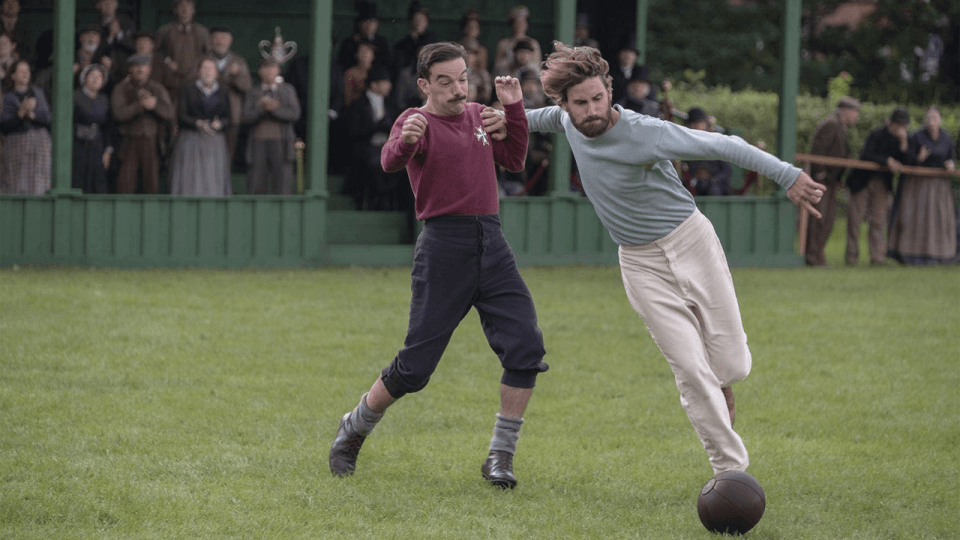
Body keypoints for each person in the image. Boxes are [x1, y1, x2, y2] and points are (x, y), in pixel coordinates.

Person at [499, 42, 824, 476]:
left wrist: (788, 175)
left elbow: (722, 145)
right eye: (581, 104)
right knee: (688, 367)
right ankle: (730, 473)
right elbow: (531, 118)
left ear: (609, 91)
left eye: (598, 98)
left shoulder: (646, 131)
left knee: (732, 364)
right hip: (639, 263)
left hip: (690, 242)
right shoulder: (565, 120)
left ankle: (721, 381)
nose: (592, 110)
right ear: (565, 105)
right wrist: (502, 115)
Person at [329, 42, 548, 490]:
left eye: (463, 79)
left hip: (493, 243)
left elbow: (514, 160)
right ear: (424, 85)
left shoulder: (481, 117)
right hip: (444, 247)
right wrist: (406, 141)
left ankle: (500, 456)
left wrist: (513, 112)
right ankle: (355, 425)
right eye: (445, 82)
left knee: (526, 347)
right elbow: (389, 161)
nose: (457, 89)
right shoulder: (416, 120)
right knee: (414, 369)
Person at [888, 106, 957, 265]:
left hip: (939, 186)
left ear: (940, 120)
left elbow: (951, 157)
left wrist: (950, 165)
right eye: (928, 118)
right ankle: (912, 255)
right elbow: (907, 160)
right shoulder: (916, 137)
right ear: (925, 121)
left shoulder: (946, 137)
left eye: (934, 118)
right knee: (917, 219)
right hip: (918, 186)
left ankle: (940, 254)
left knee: (939, 220)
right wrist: (919, 158)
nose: (931, 121)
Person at [846, 107, 910, 265]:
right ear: (891, 123)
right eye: (899, 125)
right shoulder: (876, 135)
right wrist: (886, 160)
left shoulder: (901, 141)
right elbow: (867, 154)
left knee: (879, 221)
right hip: (862, 182)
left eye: (903, 126)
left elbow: (906, 160)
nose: (901, 129)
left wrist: (903, 143)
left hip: (882, 184)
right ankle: (851, 257)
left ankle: (877, 257)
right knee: (855, 220)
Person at [804, 96, 860, 266]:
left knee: (828, 219)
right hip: (822, 181)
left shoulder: (840, 126)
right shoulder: (831, 124)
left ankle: (818, 254)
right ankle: (812, 255)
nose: (857, 116)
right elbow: (818, 150)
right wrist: (820, 175)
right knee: (819, 218)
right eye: (855, 112)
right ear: (846, 111)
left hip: (831, 181)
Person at [111, 54, 175, 194]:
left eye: (144, 66)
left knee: (151, 184)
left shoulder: (157, 88)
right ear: (130, 69)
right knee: (125, 185)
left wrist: (154, 105)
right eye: (136, 66)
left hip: (152, 141)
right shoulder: (121, 88)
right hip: (128, 142)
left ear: (149, 69)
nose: (140, 69)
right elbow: (118, 114)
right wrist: (139, 105)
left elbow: (170, 113)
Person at [343, 64, 404, 210]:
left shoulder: (391, 105)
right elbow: (353, 131)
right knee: (375, 164)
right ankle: (375, 200)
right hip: (366, 149)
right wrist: (376, 127)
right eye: (385, 82)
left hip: (389, 147)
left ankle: (388, 202)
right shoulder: (358, 105)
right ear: (374, 84)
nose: (389, 85)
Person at [170, 58, 231, 197]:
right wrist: (198, 123)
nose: (208, 72)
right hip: (191, 139)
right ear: (198, 71)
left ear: (216, 73)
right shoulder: (187, 88)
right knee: (190, 177)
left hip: (214, 140)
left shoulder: (223, 90)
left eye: (211, 68)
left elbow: (228, 118)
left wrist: (219, 124)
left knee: (213, 177)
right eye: (204, 68)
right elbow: (181, 116)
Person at [241, 58, 300, 195]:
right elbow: (245, 117)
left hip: (282, 142)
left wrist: (275, 109)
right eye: (266, 68)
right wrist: (261, 108)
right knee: (256, 182)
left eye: (273, 67)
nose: (269, 71)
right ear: (259, 71)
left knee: (282, 183)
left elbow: (294, 114)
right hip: (258, 142)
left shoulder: (287, 90)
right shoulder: (253, 92)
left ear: (278, 70)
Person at [0, 59, 52, 195]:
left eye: (27, 70)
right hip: (16, 144)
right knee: (17, 183)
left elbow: (47, 119)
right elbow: (4, 127)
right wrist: (21, 113)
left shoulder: (38, 93)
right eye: (21, 71)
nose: (25, 73)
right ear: (13, 75)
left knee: (40, 182)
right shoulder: (7, 97)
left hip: (39, 144)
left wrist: (32, 114)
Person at [209, 27, 251, 164]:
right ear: (210, 40)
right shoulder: (204, 59)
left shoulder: (238, 61)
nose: (220, 41)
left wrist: (236, 75)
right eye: (216, 38)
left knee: (228, 151)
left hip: (232, 113)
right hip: (207, 111)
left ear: (230, 41)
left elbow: (247, 87)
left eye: (224, 38)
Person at [156, 0, 211, 99]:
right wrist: (167, 61)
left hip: (195, 79)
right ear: (175, 10)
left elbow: (208, 54)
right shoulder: (165, 31)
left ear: (193, 10)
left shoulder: (202, 32)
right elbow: (156, 53)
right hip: (171, 80)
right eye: (181, 6)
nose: (185, 10)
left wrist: (198, 67)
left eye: (189, 7)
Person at [72, 64, 113, 194]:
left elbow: (108, 126)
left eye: (99, 76)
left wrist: (108, 150)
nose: (96, 79)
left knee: (97, 183)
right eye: (92, 76)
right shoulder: (75, 96)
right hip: (78, 145)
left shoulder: (104, 100)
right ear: (84, 78)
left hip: (97, 146)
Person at [682, 107, 732, 196]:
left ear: (704, 124)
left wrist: (713, 180)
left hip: (715, 186)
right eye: (691, 124)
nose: (693, 126)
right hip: (695, 185)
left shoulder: (716, 142)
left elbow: (726, 170)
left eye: (697, 123)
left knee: (713, 190)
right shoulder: (686, 145)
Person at [337, 1, 390, 72]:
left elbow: (386, 65)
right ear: (359, 24)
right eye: (365, 21)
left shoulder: (382, 43)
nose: (368, 25)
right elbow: (343, 65)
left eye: (372, 21)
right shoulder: (349, 42)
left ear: (377, 24)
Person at [94, 0, 136, 89]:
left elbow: (133, 47)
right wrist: (111, 37)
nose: (108, 5)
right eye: (105, 3)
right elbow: (94, 51)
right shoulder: (95, 24)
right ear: (98, 5)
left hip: (124, 71)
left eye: (111, 2)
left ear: (116, 4)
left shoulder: (126, 22)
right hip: (102, 74)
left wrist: (119, 34)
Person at [392, 1, 436, 79]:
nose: (419, 22)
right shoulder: (401, 45)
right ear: (411, 21)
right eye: (416, 19)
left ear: (427, 22)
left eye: (422, 19)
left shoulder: (433, 41)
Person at [494, 5, 542, 76]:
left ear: (527, 24)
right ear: (512, 24)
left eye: (522, 22)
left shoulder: (533, 43)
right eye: (516, 22)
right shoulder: (503, 44)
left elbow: (537, 67)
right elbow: (497, 67)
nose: (519, 25)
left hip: (528, 78)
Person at [343, 42, 376, 109]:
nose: (365, 53)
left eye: (368, 51)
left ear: (373, 56)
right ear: (356, 54)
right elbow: (347, 98)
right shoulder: (350, 73)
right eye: (362, 50)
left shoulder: (379, 71)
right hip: (357, 108)